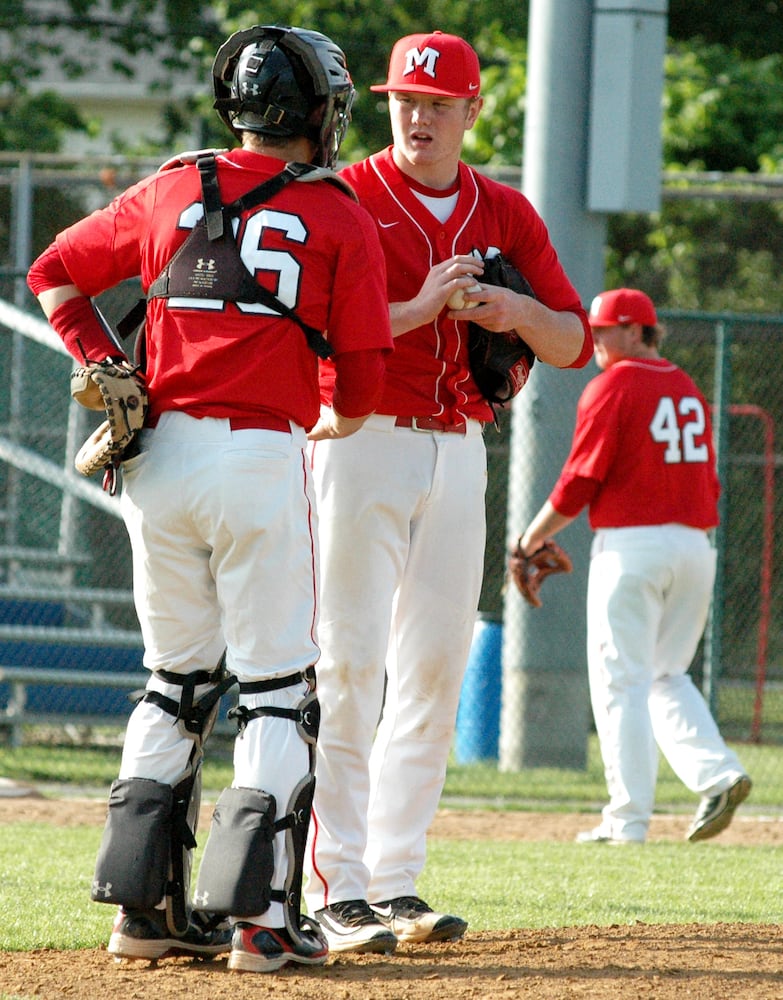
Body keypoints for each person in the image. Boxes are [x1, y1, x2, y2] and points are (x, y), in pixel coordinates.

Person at [27, 25, 393, 974]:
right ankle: (263, 923)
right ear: (317, 111)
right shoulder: (341, 213)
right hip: (257, 456)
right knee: (277, 690)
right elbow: (358, 388)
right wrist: (326, 421)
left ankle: (141, 915)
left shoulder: (173, 183)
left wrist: (107, 363)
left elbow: (52, 273)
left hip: (153, 459)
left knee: (175, 680)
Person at [303, 30, 593, 953]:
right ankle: (333, 885)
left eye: (437, 103)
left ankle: (393, 881)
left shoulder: (502, 211)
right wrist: (422, 307)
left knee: (430, 667)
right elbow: (316, 329)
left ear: (472, 112)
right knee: (347, 663)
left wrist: (516, 313)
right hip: (359, 438)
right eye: (403, 100)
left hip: (459, 447)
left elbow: (573, 339)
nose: (417, 116)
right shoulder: (347, 197)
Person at [515, 287, 751, 845]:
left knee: (622, 680)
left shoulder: (613, 386)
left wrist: (530, 538)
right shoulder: (686, 387)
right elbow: (709, 479)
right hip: (696, 547)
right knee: (666, 674)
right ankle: (719, 775)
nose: (596, 338)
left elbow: (579, 481)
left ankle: (627, 821)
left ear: (640, 331)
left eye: (606, 329)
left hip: (633, 549)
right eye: (593, 329)